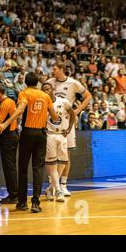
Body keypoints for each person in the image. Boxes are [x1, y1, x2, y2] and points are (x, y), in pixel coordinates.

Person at [0, 72, 58, 213]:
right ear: (37, 83)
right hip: (41, 134)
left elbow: (19, 111)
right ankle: (36, 203)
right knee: (38, 168)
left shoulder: (24, 93)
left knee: (23, 168)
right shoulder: (45, 96)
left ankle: (22, 202)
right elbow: (54, 117)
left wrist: (5, 124)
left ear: (26, 82)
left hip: (27, 133)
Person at [46, 62, 92, 197]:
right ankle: (53, 185)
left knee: (66, 155)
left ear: (61, 70)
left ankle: (63, 185)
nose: (52, 71)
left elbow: (88, 96)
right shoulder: (49, 82)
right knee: (52, 157)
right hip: (51, 122)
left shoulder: (73, 83)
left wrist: (77, 110)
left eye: (54, 69)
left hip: (67, 122)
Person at [42, 83, 76, 202]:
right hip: (50, 135)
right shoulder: (43, 104)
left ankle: (50, 188)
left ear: (52, 90)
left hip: (62, 134)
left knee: (63, 162)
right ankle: (58, 190)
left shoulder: (63, 102)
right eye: (44, 89)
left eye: (48, 89)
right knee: (52, 163)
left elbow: (73, 114)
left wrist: (69, 128)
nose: (46, 91)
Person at [0, 83, 18, 204]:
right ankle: (13, 193)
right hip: (10, 136)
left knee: (9, 167)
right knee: (9, 166)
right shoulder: (9, 102)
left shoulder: (6, 103)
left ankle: (13, 195)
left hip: (9, 137)